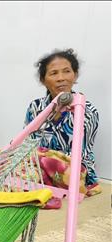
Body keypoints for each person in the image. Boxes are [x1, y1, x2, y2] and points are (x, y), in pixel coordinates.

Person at [25, 48, 100, 196]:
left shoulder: (88, 111)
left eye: (66, 71)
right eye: (53, 73)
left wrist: (49, 162)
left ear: (75, 75)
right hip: (40, 166)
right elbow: (28, 144)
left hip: (73, 170)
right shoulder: (35, 107)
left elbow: (81, 155)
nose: (61, 78)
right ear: (43, 80)